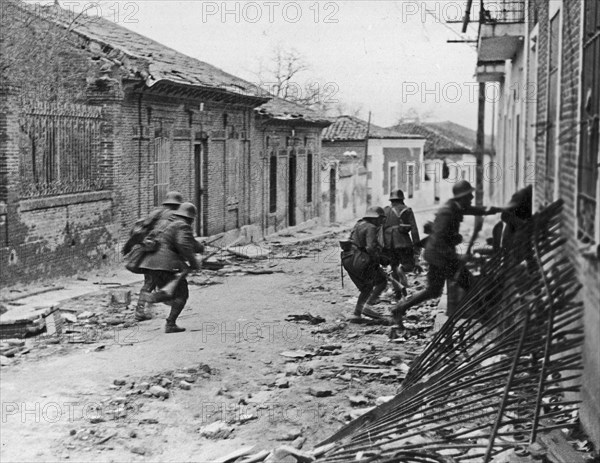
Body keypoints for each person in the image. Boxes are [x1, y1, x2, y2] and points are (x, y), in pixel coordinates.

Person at [391, 180, 503, 327]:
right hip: (440, 255)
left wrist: (496, 209)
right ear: (461, 197)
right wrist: (458, 257)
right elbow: (439, 239)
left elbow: (474, 210)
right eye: (469, 196)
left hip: (439, 256)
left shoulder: (456, 206)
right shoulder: (448, 212)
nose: (471, 198)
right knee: (470, 284)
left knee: (434, 290)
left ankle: (399, 309)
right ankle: (486, 317)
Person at [137, 202, 203, 333]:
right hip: (166, 264)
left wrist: (200, 247)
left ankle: (150, 297)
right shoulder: (182, 225)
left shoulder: (166, 223)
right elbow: (183, 244)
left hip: (149, 262)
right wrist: (194, 263)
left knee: (168, 290)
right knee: (182, 294)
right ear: (190, 218)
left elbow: (188, 242)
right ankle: (170, 322)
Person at [124, 191, 184, 322]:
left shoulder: (156, 213)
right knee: (170, 283)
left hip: (148, 253)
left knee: (149, 282)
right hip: (162, 256)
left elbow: (141, 229)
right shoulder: (176, 217)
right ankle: (166, 306)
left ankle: (141, 310)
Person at [341, 206, 389, 320]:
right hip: (359, 259)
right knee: (382, 280)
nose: (382, 222)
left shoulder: (359, 224)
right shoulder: (371, 227)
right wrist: (380, 260)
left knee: (366, 287)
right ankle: (367, 306)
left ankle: (357, 313)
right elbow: (371, 248)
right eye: (381, 219)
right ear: (376, 218)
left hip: (347, 259)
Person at [382, 189, 421, 300]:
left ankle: (398, 293)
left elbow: (380, 228)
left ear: (391, 200)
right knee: (409, 265)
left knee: (393, 266)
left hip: (389, 243)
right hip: (403, 242)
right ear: (402, 199)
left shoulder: (385, 210)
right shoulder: (407, 210)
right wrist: (417, 246)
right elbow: (414, 229)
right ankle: (402, 270)